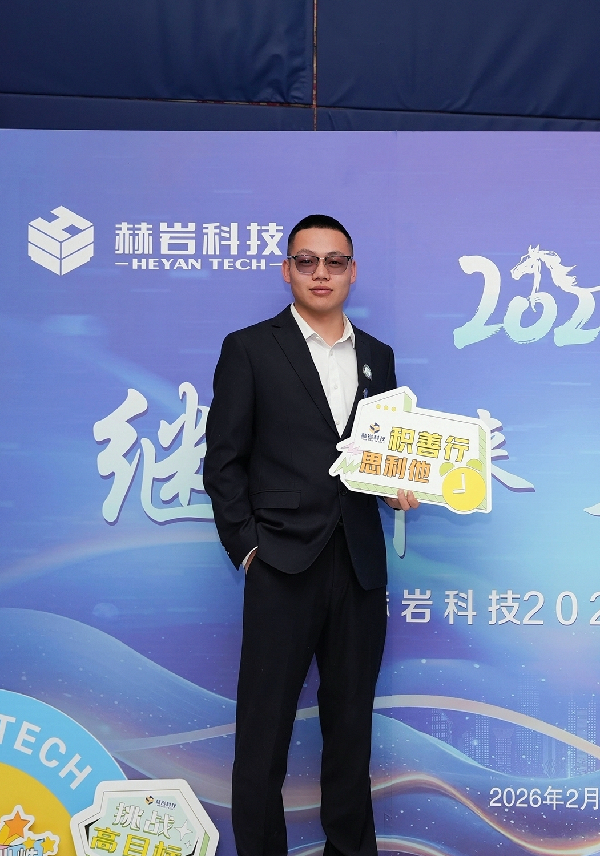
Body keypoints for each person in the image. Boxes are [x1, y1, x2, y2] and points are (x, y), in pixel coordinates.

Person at [204, 214, 418, 856]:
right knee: (263, 731)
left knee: (351, 729)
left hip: (359, 565)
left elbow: (381, 456)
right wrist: (249, 548)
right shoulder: (249, 348)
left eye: (334, 261)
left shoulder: (378, 356)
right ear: (287, 270)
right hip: (281, 563)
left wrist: (398, 485)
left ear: (352, 271)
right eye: (306, 260)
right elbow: (223, 462)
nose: (320, 273)